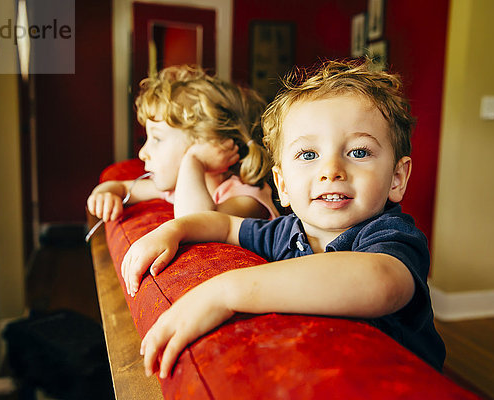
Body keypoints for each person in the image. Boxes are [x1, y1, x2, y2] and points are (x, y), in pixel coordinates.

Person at [122, 59, 446, 378]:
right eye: (308, 155)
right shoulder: (284, 231)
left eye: (358, 152)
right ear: (282, 184)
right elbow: (223, 225)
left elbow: (380, 282)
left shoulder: (392, 234)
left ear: (397, 178)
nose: (331, 171)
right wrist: (174, 230)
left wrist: (223, 292)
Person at [87, 65, 278, 221]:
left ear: (211, 144)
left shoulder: (248, 197)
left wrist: (193, 160)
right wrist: (104, 194)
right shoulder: (178, 187)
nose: (142, 153)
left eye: (158, 138)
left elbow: (194, 222)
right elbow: (121, 187)